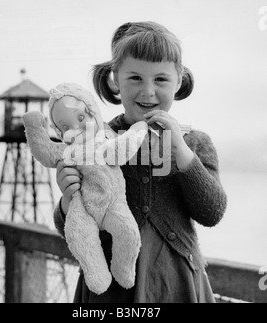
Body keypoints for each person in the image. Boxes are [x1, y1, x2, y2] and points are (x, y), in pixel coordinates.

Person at [53, 21, 227, 303]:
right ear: (115, 80)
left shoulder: (196, 143)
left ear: (178, 81)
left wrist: (181, 151)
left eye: (161, 79)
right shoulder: (93, 141)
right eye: (135, 78)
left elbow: (212, 212)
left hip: (177, 284)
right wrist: (66, 198)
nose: (148, 92)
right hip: (109, 289)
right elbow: (72, 227)